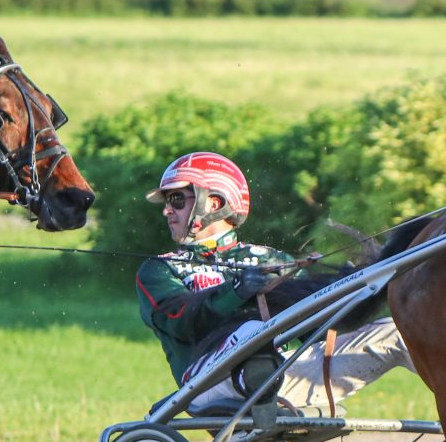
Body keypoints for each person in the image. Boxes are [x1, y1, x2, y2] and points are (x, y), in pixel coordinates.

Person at [134, 151, 411, 416]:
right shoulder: (159, 269)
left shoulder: (272, 259)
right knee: (253, 330)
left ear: (213, 203)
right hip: (208, 385)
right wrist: (236, 292)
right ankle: (261, 377)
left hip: (284, 377)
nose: (167, 211)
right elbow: (179, 321)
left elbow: (313, 331)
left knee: (397, 331)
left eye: (176, 200)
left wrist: (343, 291)